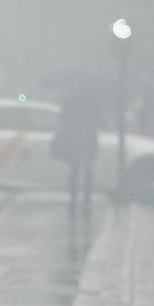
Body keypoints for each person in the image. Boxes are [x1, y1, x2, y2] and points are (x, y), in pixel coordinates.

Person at [51, 85, 101, 220]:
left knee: (75, 170)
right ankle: (86, 202)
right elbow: (100, 120)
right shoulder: (92, 101)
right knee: (87, 171)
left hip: (75, 139)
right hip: (88, 140)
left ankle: (73, 201)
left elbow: (62, 119)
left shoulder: (70, 101)